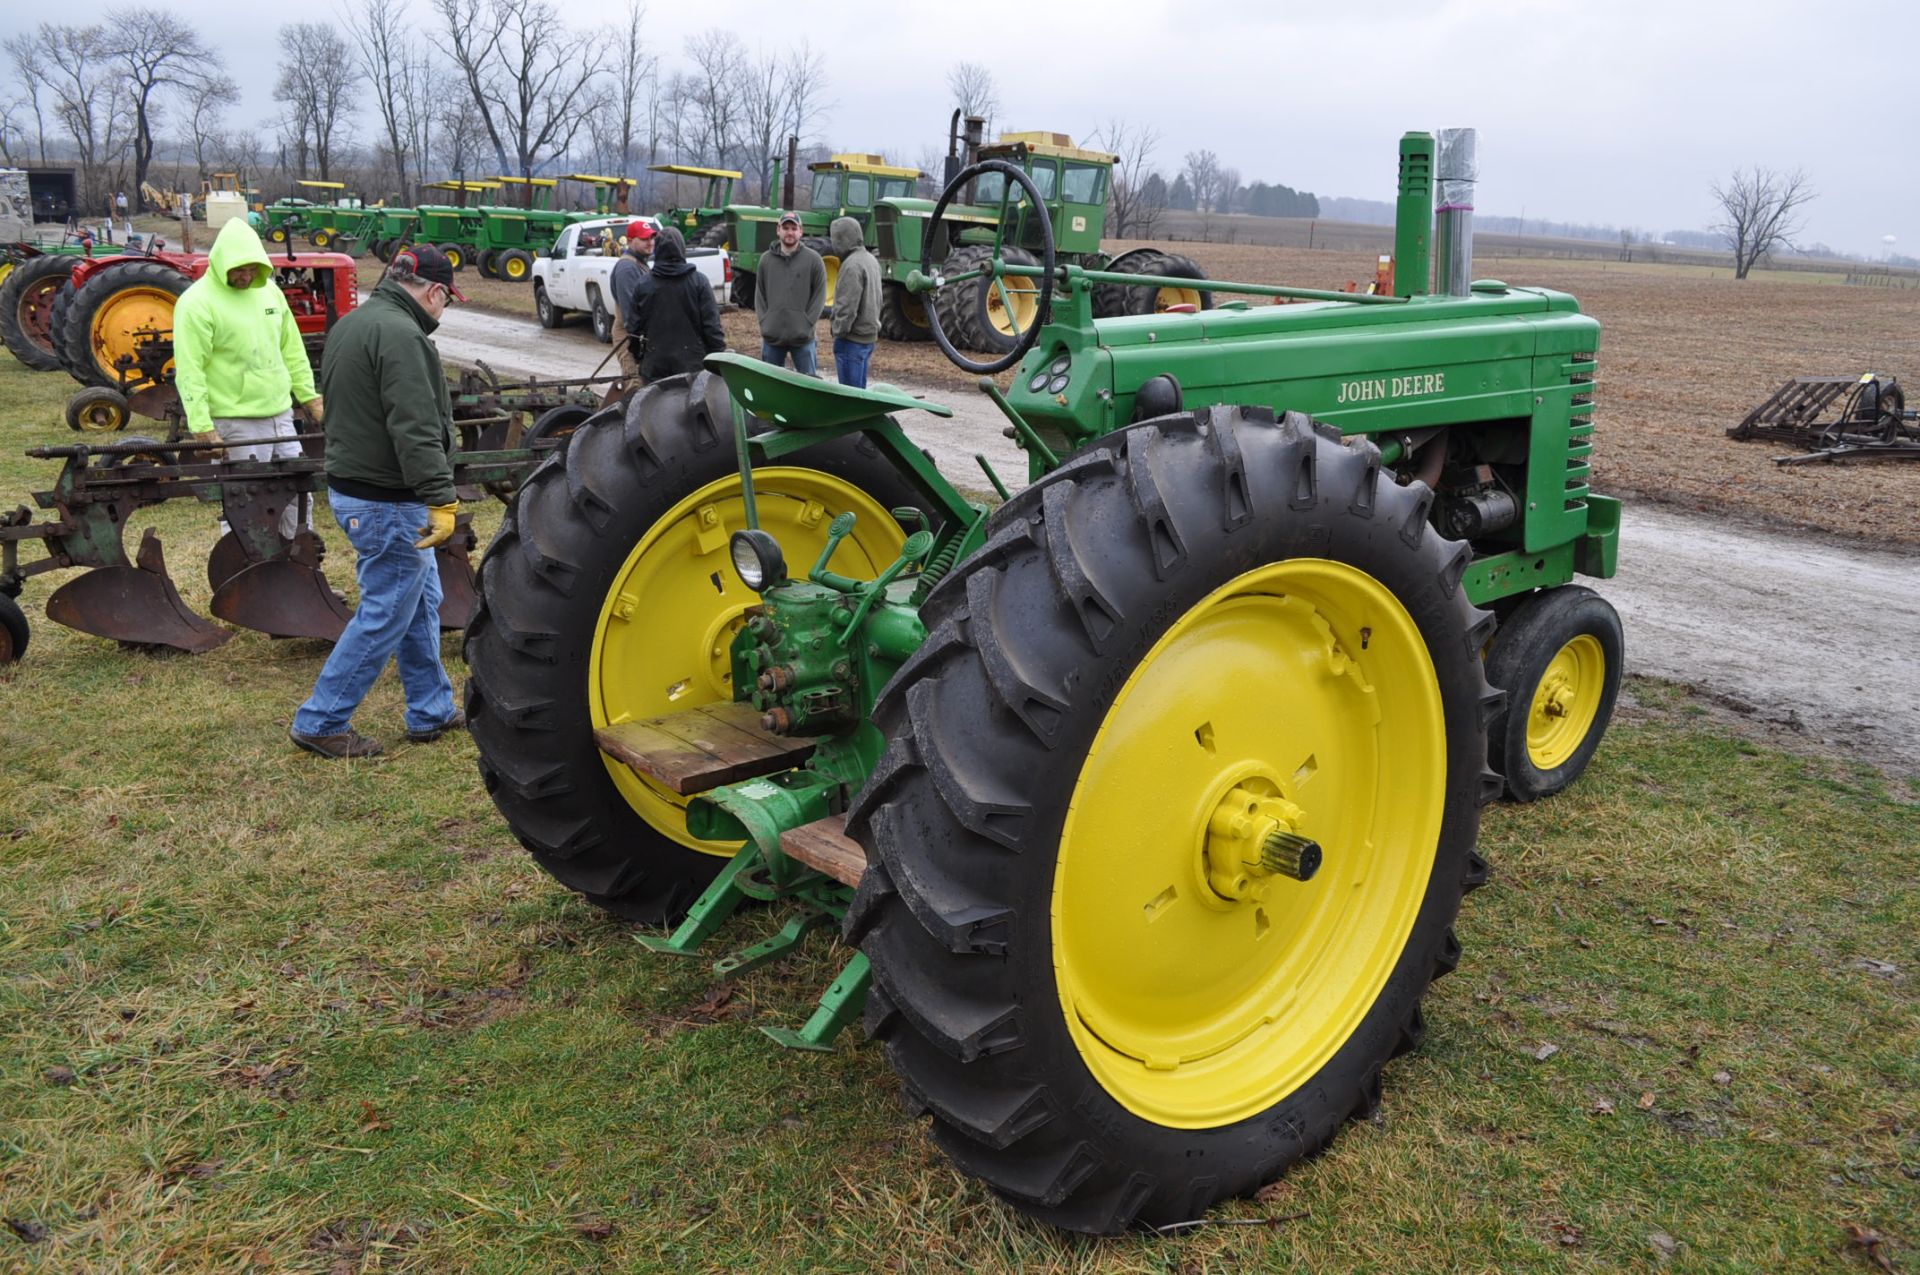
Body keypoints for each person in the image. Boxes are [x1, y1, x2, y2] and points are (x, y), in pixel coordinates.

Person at [289, 246, 465, 760]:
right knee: (387, 610)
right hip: (389, 501)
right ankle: (321, 720)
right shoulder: (403, 335)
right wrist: (441, 498)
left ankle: (430, 710)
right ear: (434, 292)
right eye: (446, 302)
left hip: (362, 489)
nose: (442, 312)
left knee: (419, 603)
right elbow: (415, 428)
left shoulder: (356, 322)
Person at [173, 218, 325, 541]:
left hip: (280, 416)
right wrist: (202, 426)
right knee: (244, 500)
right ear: (221, 263)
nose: (246, 276)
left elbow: (292, 349)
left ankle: (300, 572)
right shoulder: (196, 303)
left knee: (298, 494)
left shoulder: (270, 293)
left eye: (252, 269)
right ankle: (246, 577)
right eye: (238, 270)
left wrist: (310, 398)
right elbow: (190, 370)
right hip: (235, 421)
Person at [625, 225, 725, 382]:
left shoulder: (643, 285)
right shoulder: (699, 282)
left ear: (658, 250)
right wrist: (718, 357)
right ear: (682, 249)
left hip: (655, 367)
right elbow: (712, 327)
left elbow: (633, 329)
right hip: (693, 367)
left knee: (654, 406)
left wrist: (638, 356)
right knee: (693, 407)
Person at [754, 211, 824, 374]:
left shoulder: (814, 260)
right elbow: (760, 295)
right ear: (778, 230)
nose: (790, 232)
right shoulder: (766, 260)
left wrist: (806, 323)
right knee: (770, 385)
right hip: (772, 338)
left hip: (803, 339)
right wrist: (765, 322)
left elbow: (819, 296)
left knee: (809, 386)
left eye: (794, 228)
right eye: (786, 228)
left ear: (801, 231)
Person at [828, 216, 879, 388]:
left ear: (841, 240)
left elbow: (847, 307)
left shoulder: (851, 265)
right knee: (860, 393)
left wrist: (838, 331)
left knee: (850, 397)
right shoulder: (870, 259)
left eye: (834, 239)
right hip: (868, 337)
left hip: (851, 340)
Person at [608, 218, 656, 385]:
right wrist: (636, 347)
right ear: (629, 241)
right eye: (644, 239)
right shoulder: (627, 268)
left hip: (639, 335)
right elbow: (631, 314)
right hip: (628, 336)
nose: (650, 243)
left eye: (651, 238)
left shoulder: (641, 264)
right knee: (635, 385)